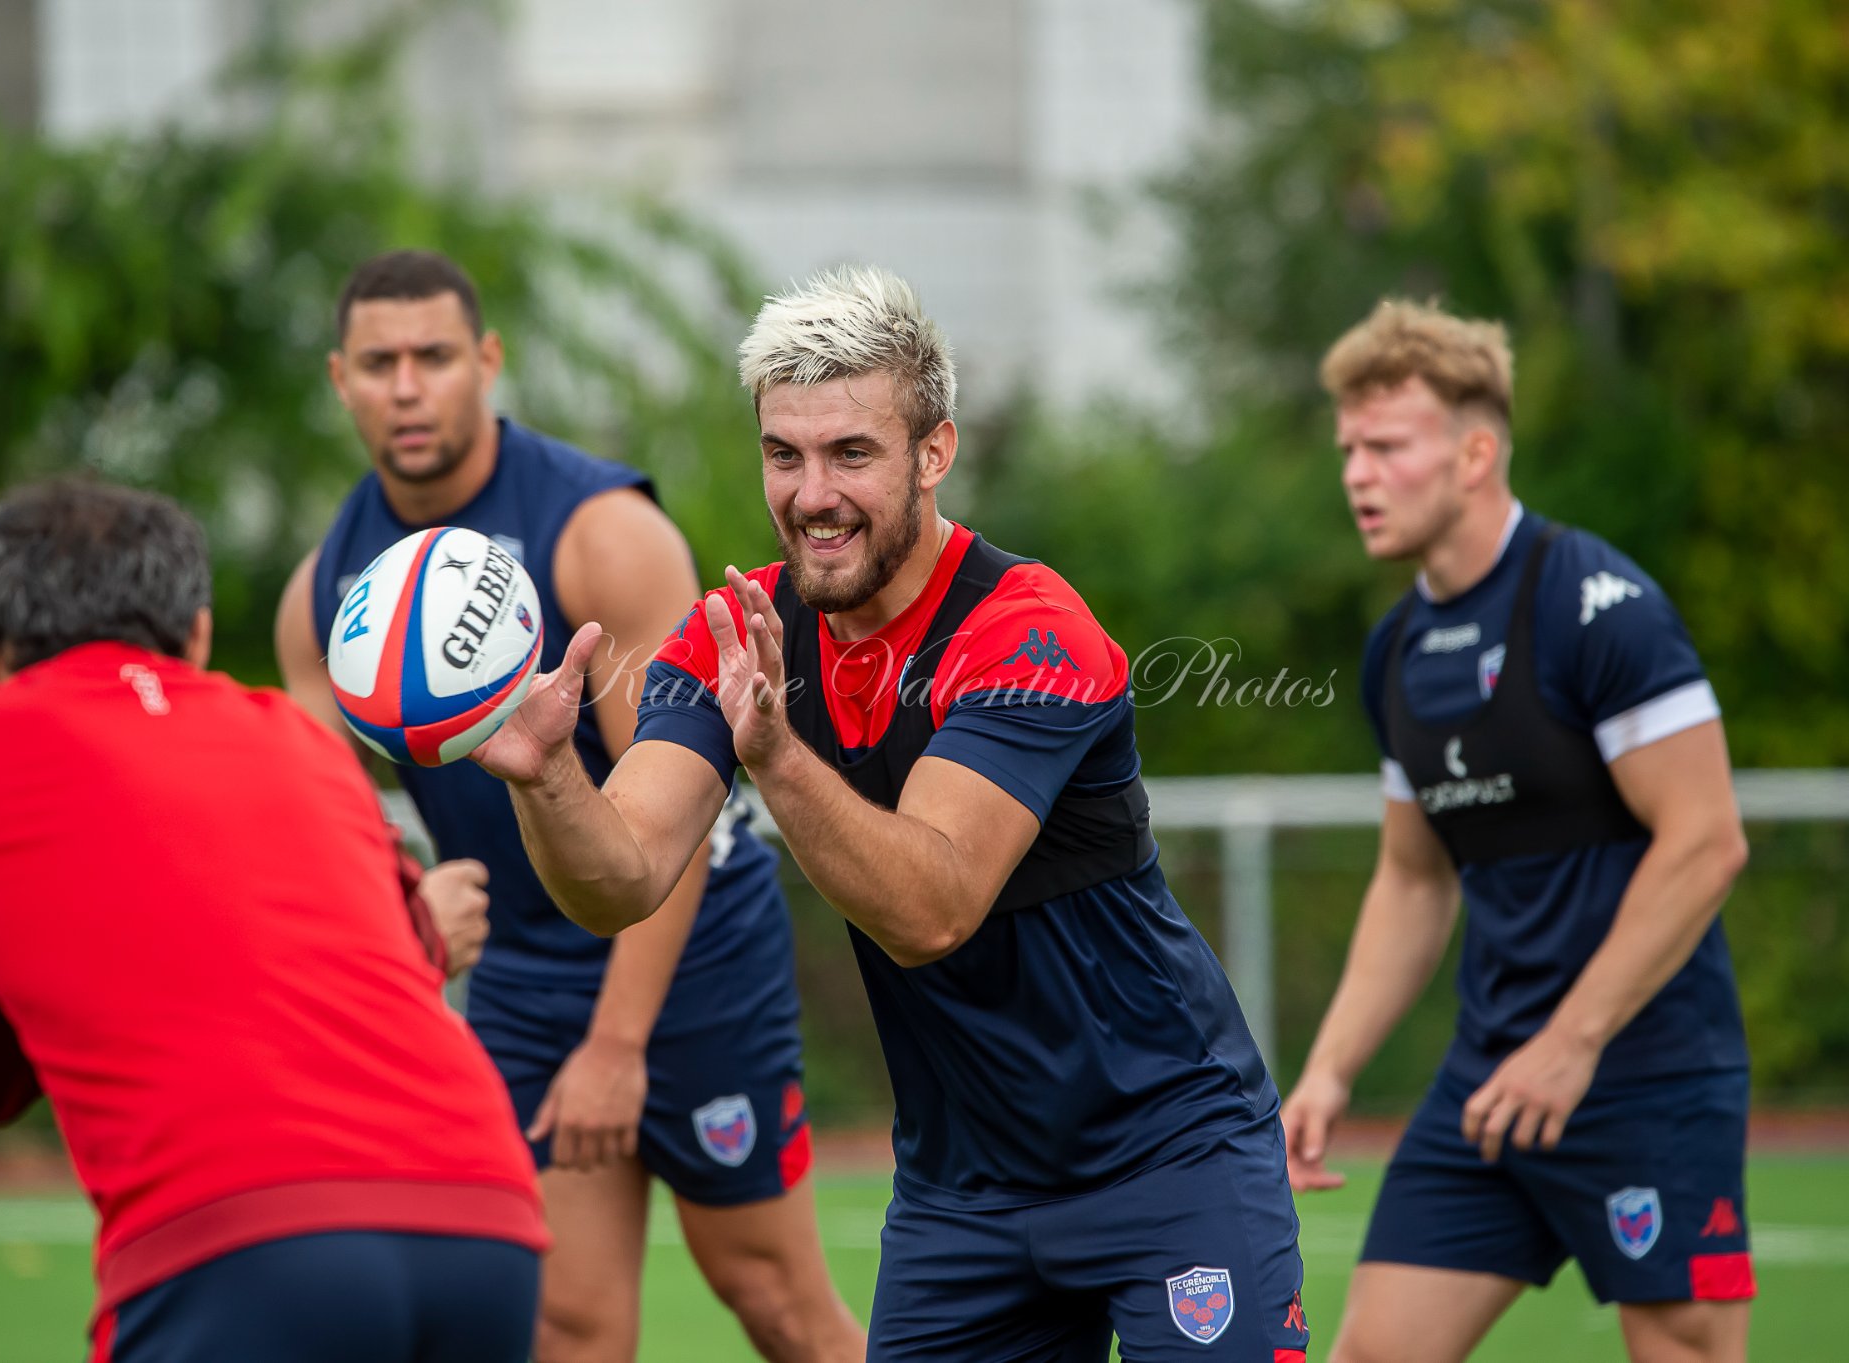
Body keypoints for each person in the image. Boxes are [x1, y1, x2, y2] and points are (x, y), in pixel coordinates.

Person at [472, 265, 1311, 1363]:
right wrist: (547, 779)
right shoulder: (732, 632)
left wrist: (775, 753)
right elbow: (619, 880)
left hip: (1168, 1156)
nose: (812, 493)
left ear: (933, 452)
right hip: (963, 1191)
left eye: (851, 453)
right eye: (784, 454)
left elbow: (932, 907)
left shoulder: (1028, 631)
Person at [276, 250, 861, 1363]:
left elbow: (679, 811)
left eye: (435, 356)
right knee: (565, 1322)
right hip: (523, 970)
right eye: (380, 363)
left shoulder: (600, 531)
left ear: (487, 361)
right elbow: (323, 831)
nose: (409, 386)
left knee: (772, 1294)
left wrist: (616, 1043)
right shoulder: (326, 595)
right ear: (340, 379)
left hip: (690, 947)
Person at [0, 480, 547, 1363]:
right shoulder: (300, 737)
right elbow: (392, 942)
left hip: (233, 1242)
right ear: (196, 634)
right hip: (486, 1216)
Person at [1280, 300, 1755, 1363]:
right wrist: (1329, 1070)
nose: (1356, 474)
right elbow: (1413, 880)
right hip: (1491, 1081)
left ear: (1474, 453)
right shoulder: (1396, 652)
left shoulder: (1598, 608)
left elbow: (1705, 841)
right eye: (1348, 449)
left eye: (1385, 446)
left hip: (1644, 1072)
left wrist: (1571, 1043)